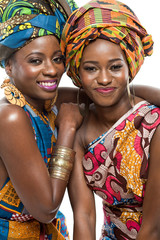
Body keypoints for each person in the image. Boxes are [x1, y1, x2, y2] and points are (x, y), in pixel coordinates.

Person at [61, 0, 160, 239]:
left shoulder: (155, 124)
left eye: (115, 67)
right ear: (77, 73)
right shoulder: (79, 131)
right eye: (91, 69)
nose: (104, 79)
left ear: (130, 68)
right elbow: (84, 216)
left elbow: (153, 227)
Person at [0, 0, 81, 239]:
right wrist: (67, 129)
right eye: (36, 61)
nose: (52, 70)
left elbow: (113, 96)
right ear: (9, 66)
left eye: (57, 58)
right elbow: (46, 209)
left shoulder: (45, 102)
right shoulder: (10, 117)